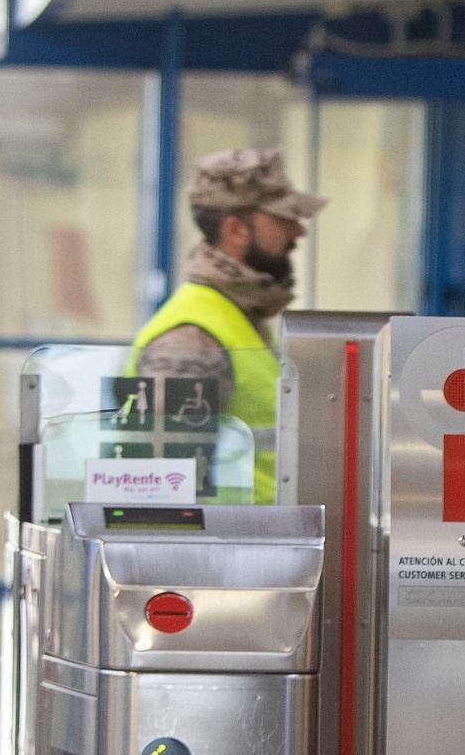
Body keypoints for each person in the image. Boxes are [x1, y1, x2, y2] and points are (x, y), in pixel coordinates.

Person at [131, 147, 325, 502]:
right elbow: (161, 491)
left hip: (256, 547)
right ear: (236, 230)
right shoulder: (191, 339)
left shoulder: (240, 316)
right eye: (283, 218)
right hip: (227, 552)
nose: (298, 231)